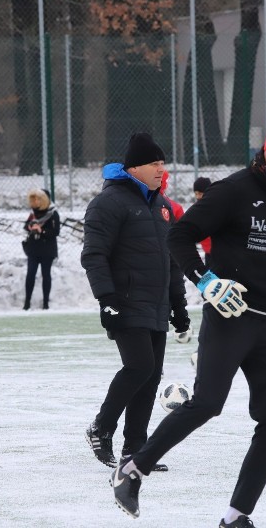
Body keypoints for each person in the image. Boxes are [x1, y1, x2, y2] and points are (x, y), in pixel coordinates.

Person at [110, 120, 266, 528]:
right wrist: (206, 281)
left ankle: (236, 516)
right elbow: (180, 236)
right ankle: (132, 470)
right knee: (207, 403)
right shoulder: (232, 192)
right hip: (230, 317)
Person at [82, 132, 188, 473]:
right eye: (154, 164)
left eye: (162, 163)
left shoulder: (161, 207)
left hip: (155, 304)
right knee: (140, 366)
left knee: (151, 374)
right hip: (125, 301)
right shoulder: (109, 202)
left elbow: (171, 260)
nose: (161, 169)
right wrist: (106, 299)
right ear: (134, 168)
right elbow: (94, 255)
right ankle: (101, 427)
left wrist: (179, 305)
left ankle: (136, 450)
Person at [22, 189, 61, 310]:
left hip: (47, 249)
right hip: (33, 249)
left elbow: (56, 232)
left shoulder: (53, 213)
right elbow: (26, 226)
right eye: (35, 199)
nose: (36, 201)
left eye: (39, 199)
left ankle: (45, 303)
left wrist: (42, 231)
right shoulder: (33, 212)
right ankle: (27, 302)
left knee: (46, 274)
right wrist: (30, 226)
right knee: (30, 274)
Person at [193, 176, 213, 263]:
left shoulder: (214, 207)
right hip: (208, 251)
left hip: (218, 251)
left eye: (200, 193)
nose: (198, 197)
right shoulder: (197, 209)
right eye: (196, 194)